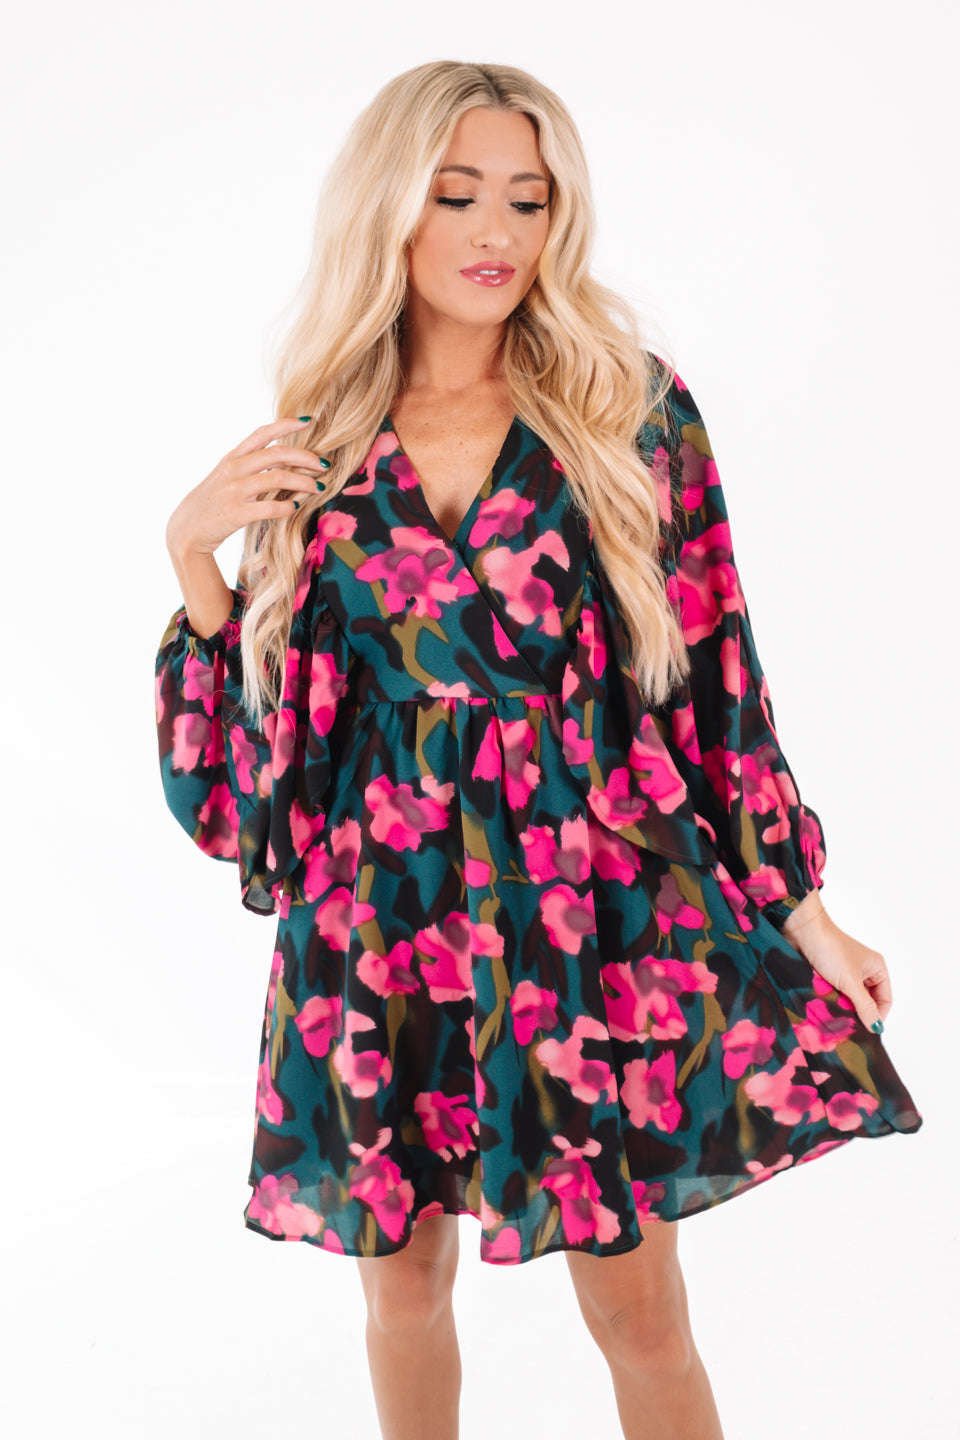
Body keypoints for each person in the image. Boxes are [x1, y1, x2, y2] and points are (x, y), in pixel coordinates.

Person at [155, 60, 923, 1440]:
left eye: (528, 197)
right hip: (382, 922)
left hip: (587, 911)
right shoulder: (322, 442)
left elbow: (716, 680)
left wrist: (804, 910)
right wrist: (193, 558)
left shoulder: (627, 408)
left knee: (639, 1309)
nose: (497, 231)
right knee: (402, 1296)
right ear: (392, 207)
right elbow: (263, 784)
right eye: (458, 196)